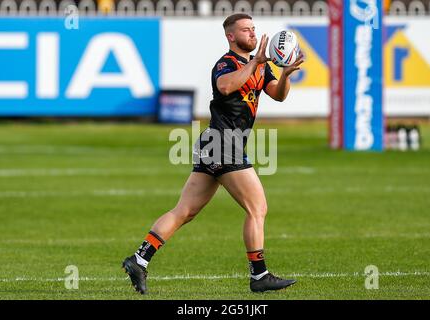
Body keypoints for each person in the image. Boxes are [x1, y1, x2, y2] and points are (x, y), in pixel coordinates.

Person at [122, 13, 304, 294]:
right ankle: (259, 275)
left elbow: (278, 95)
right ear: (231, 36)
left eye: (254, 29)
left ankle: (139, 259)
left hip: (217, 144)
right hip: (223, 143)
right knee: (258, 208)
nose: (253, 34)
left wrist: (286, 74)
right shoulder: (226, 64)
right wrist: (256, 61)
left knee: (185, 211)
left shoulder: (259, 66)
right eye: (246, 30)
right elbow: (225, 86)